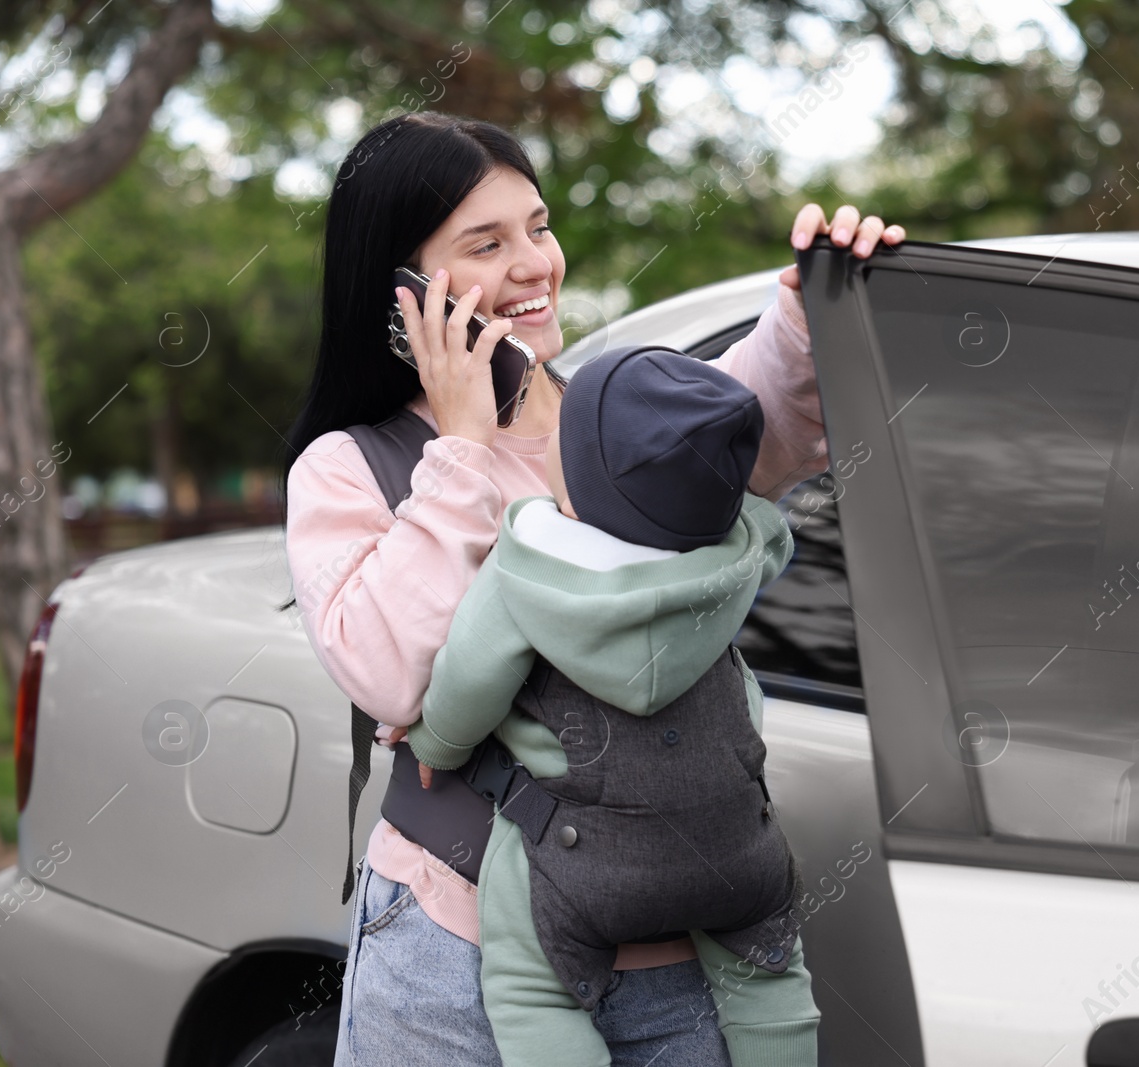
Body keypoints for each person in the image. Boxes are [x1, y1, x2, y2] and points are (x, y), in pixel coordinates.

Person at [281, 109, 905, 1066]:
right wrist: (461, 450)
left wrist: (805, 312)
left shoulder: (602, 411)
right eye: (485, 243)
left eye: (538, 226)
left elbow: (743, 432)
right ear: (404, 289)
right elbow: (393, 678)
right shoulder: (350, 466)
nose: (534, 263)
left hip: (682, 962)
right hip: (457, 956)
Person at [405, 347, 821, 1067]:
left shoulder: (531, 563)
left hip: (583, 858)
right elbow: (771, 530)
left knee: (532, 987)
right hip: (732, 841)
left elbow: (469, 677)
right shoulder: (738, 551)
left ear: (581, 483)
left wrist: (436, 743)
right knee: (770, 978)